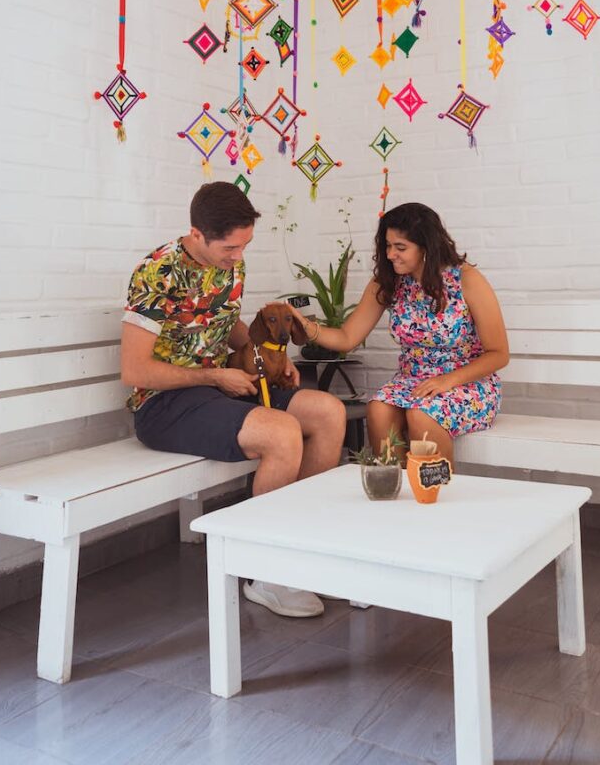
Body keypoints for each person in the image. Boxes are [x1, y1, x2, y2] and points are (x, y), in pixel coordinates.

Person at [120, 182, 346, 618]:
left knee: (328, 411)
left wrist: (268, 357)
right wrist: (213, 375)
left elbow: (226, 320)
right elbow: (134, 370)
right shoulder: (157, 273)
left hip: (217, 391)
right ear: (197, 234)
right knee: (282, 432)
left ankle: (302, 551)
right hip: (164, 404)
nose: (238, 256)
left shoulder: (228, 264)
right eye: (229, 247)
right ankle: (267, 572)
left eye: (245, 245)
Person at [296, 202, 508, 465]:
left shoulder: (466, 280)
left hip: (467, 384)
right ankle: (393, 489)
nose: (390, 255)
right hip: (414, 382)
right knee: (378, 410)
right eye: (387, 246)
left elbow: (499, 354)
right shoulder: (388, 282)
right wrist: (305, 328)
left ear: (426, 247)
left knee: (422, 414)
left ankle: (432, 495)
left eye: (400, 247)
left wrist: (447, 381)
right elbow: (347, 337)